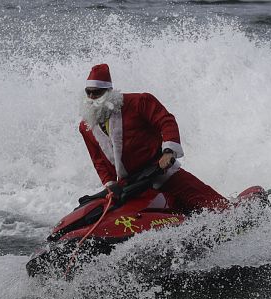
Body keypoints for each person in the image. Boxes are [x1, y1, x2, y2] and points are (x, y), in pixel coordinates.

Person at [79, 63, 230, 213]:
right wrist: (110, 184)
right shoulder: (86, 127)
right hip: (130, 186)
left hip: (161, 172)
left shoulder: (139, 102)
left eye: (97, 92)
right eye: (89, 92)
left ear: (109, 91)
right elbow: (98, 160)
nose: (92, 97)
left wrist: (168, 152)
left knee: (216, 206)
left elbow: (166, 121)